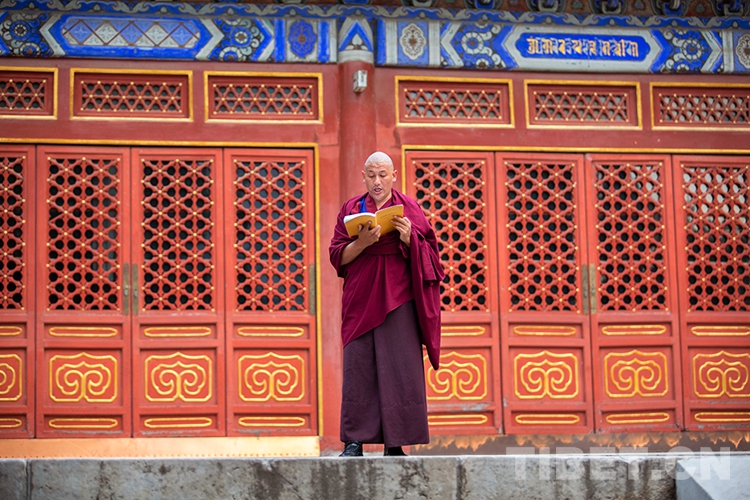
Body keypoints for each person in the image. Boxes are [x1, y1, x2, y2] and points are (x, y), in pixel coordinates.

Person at [329, 151, 445, 457]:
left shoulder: (409, 208)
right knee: (359, 366)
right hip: (361, 297)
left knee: (399, 365)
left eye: (383, 174)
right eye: (371, 175)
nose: (377, 181)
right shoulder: (351, 209)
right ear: (363, 177)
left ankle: (395, 443)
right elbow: (337, 256)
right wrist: (362, 243)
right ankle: (354, 441)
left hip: (399, 296)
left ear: (394, 176)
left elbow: (432, 257)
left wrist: (410, 240)